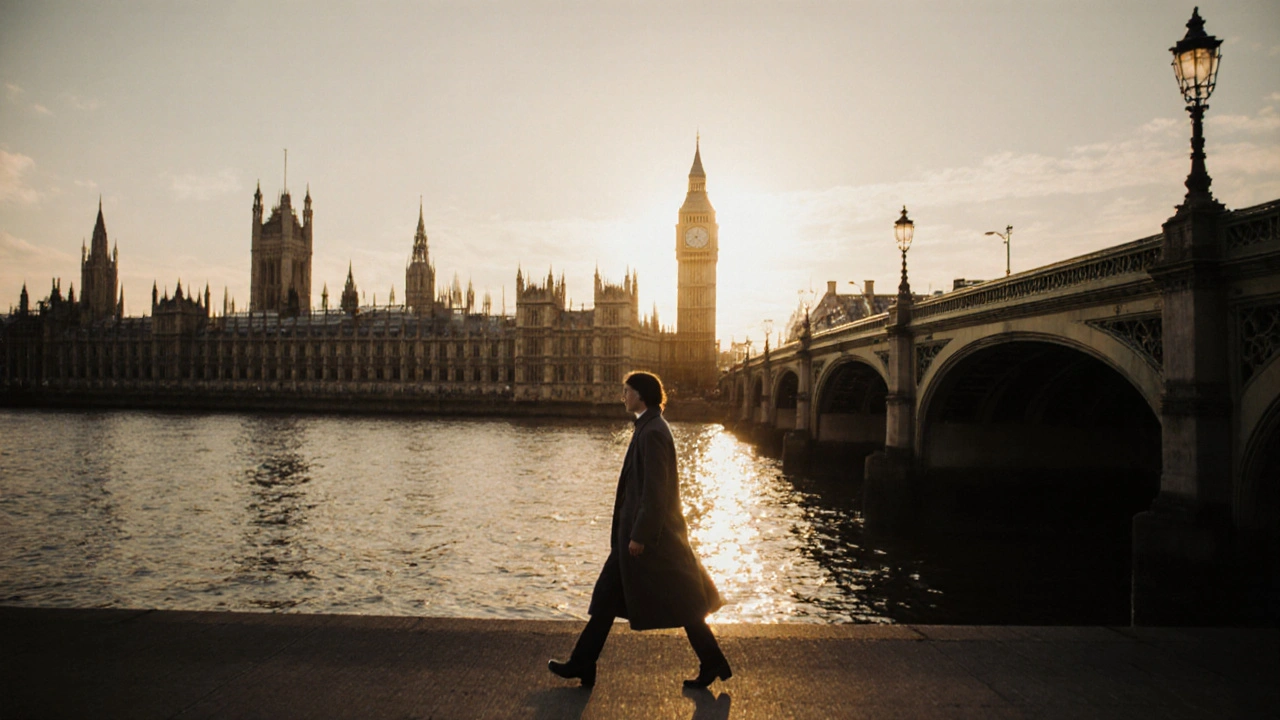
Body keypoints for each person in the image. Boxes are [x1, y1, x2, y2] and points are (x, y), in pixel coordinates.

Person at [548, 371, 731, 689]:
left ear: (641, 396)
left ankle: (713, 661)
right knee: (609, 600)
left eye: (627, 391)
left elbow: (655, 491)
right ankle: (583, 664)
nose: (623, 396)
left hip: (649, 540)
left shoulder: (652, 432)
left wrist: (639, 536)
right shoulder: (649, 427)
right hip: (638, 537)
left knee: (684, 603)